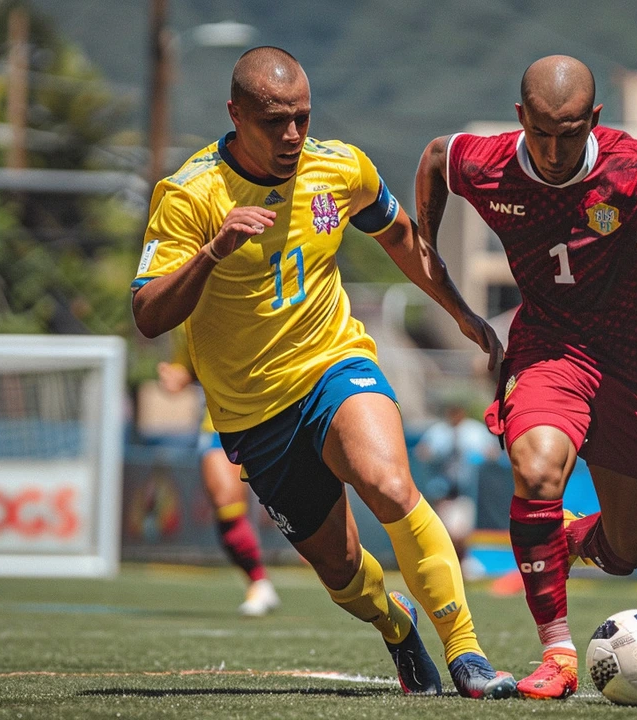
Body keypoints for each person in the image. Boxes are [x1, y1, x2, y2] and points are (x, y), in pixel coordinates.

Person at [130, 47, 515, 699]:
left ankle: (469, 654)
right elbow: (147, 313)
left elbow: (403, 240)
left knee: (390, 483)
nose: (291, 136)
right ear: (236, 113)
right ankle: (396, 626)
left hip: (334, 363)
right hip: (253, 412)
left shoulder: (340, 167)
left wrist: (461, 314)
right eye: (275, 121)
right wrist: (212, 252)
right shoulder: (189, 194)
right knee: (340, 572)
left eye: (301, 119)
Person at [416, 55, 637, 700]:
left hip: (629, 356)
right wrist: (428, 249)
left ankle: (554, 540)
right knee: (536, 470)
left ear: (594, 119)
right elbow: (434, 157)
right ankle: (559, 653)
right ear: (521, 119)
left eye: (571, 132)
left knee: (630, 550)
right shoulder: (487, 161)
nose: (557, 147)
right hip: (548, 345)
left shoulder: (630, 169)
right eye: (543, 132)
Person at [156, 332, 279, 616]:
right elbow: (188, 367)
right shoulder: (185, 316)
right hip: (220, 418)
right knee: (226, 503)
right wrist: (178, 376)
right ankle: (258, 581)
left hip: (276, 410)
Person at [413, 401, 500, 577]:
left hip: (466, 490)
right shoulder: (438, 432)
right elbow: (422, 452)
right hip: (442, 489)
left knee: (461, 533)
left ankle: (460, 564)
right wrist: (433, 454)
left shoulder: (474, 431)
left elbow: (493, 453)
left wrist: (479, 457)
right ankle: (451, 567)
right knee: (446, 532)